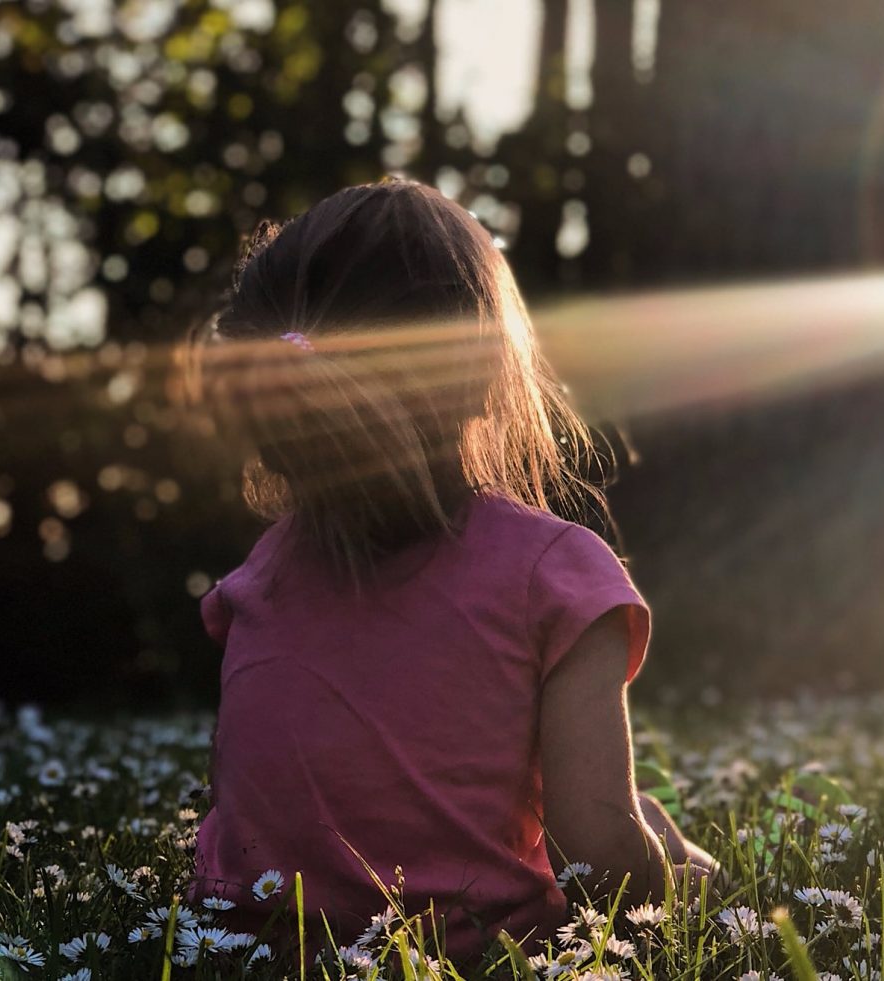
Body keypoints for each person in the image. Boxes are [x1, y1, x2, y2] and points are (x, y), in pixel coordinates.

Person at [184, 178, 720, 963]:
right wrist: (681, 881)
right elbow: (602, 864)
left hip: (250, 954)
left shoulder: (258, 579)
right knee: (646, 829)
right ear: (479, 373)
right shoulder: (555, 574)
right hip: (474, 960)